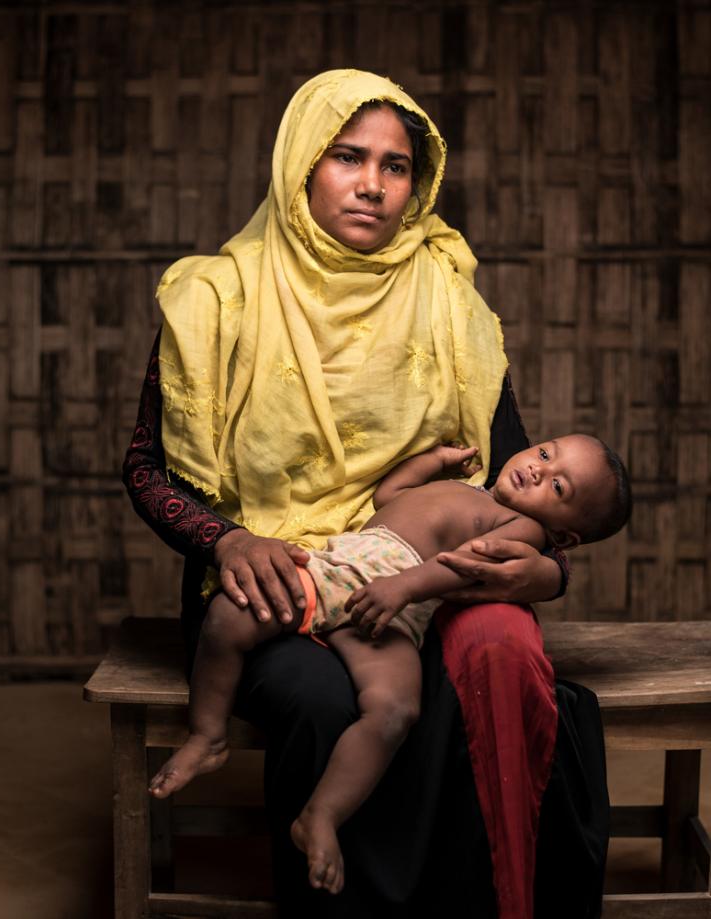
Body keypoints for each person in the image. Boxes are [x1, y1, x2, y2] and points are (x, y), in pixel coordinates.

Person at [123, 70, 610, 919]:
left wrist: (551, 577)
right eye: (348, 157)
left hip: (415, 577)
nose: (372, 184)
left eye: (395, 167)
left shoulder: (447, 299)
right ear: (301, 164)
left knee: (447, 682)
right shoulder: (215, 298)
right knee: (319, 698)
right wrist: (230, 542)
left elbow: (513, 476)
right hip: (267, 579)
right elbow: (144, 468)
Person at [147, 434, 631, 898]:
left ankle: (322, 815)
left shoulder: (524, 529)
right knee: (227, 616)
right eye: (545, 453)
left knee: (395, 710)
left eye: (558, 486)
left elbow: (467, 564)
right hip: (337, 569)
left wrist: (402, 589)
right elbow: (388, 495)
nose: (537, 469)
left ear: (564, 533)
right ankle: (207, 735)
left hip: (397, 606)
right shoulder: (467, 488)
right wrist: (434, 461)